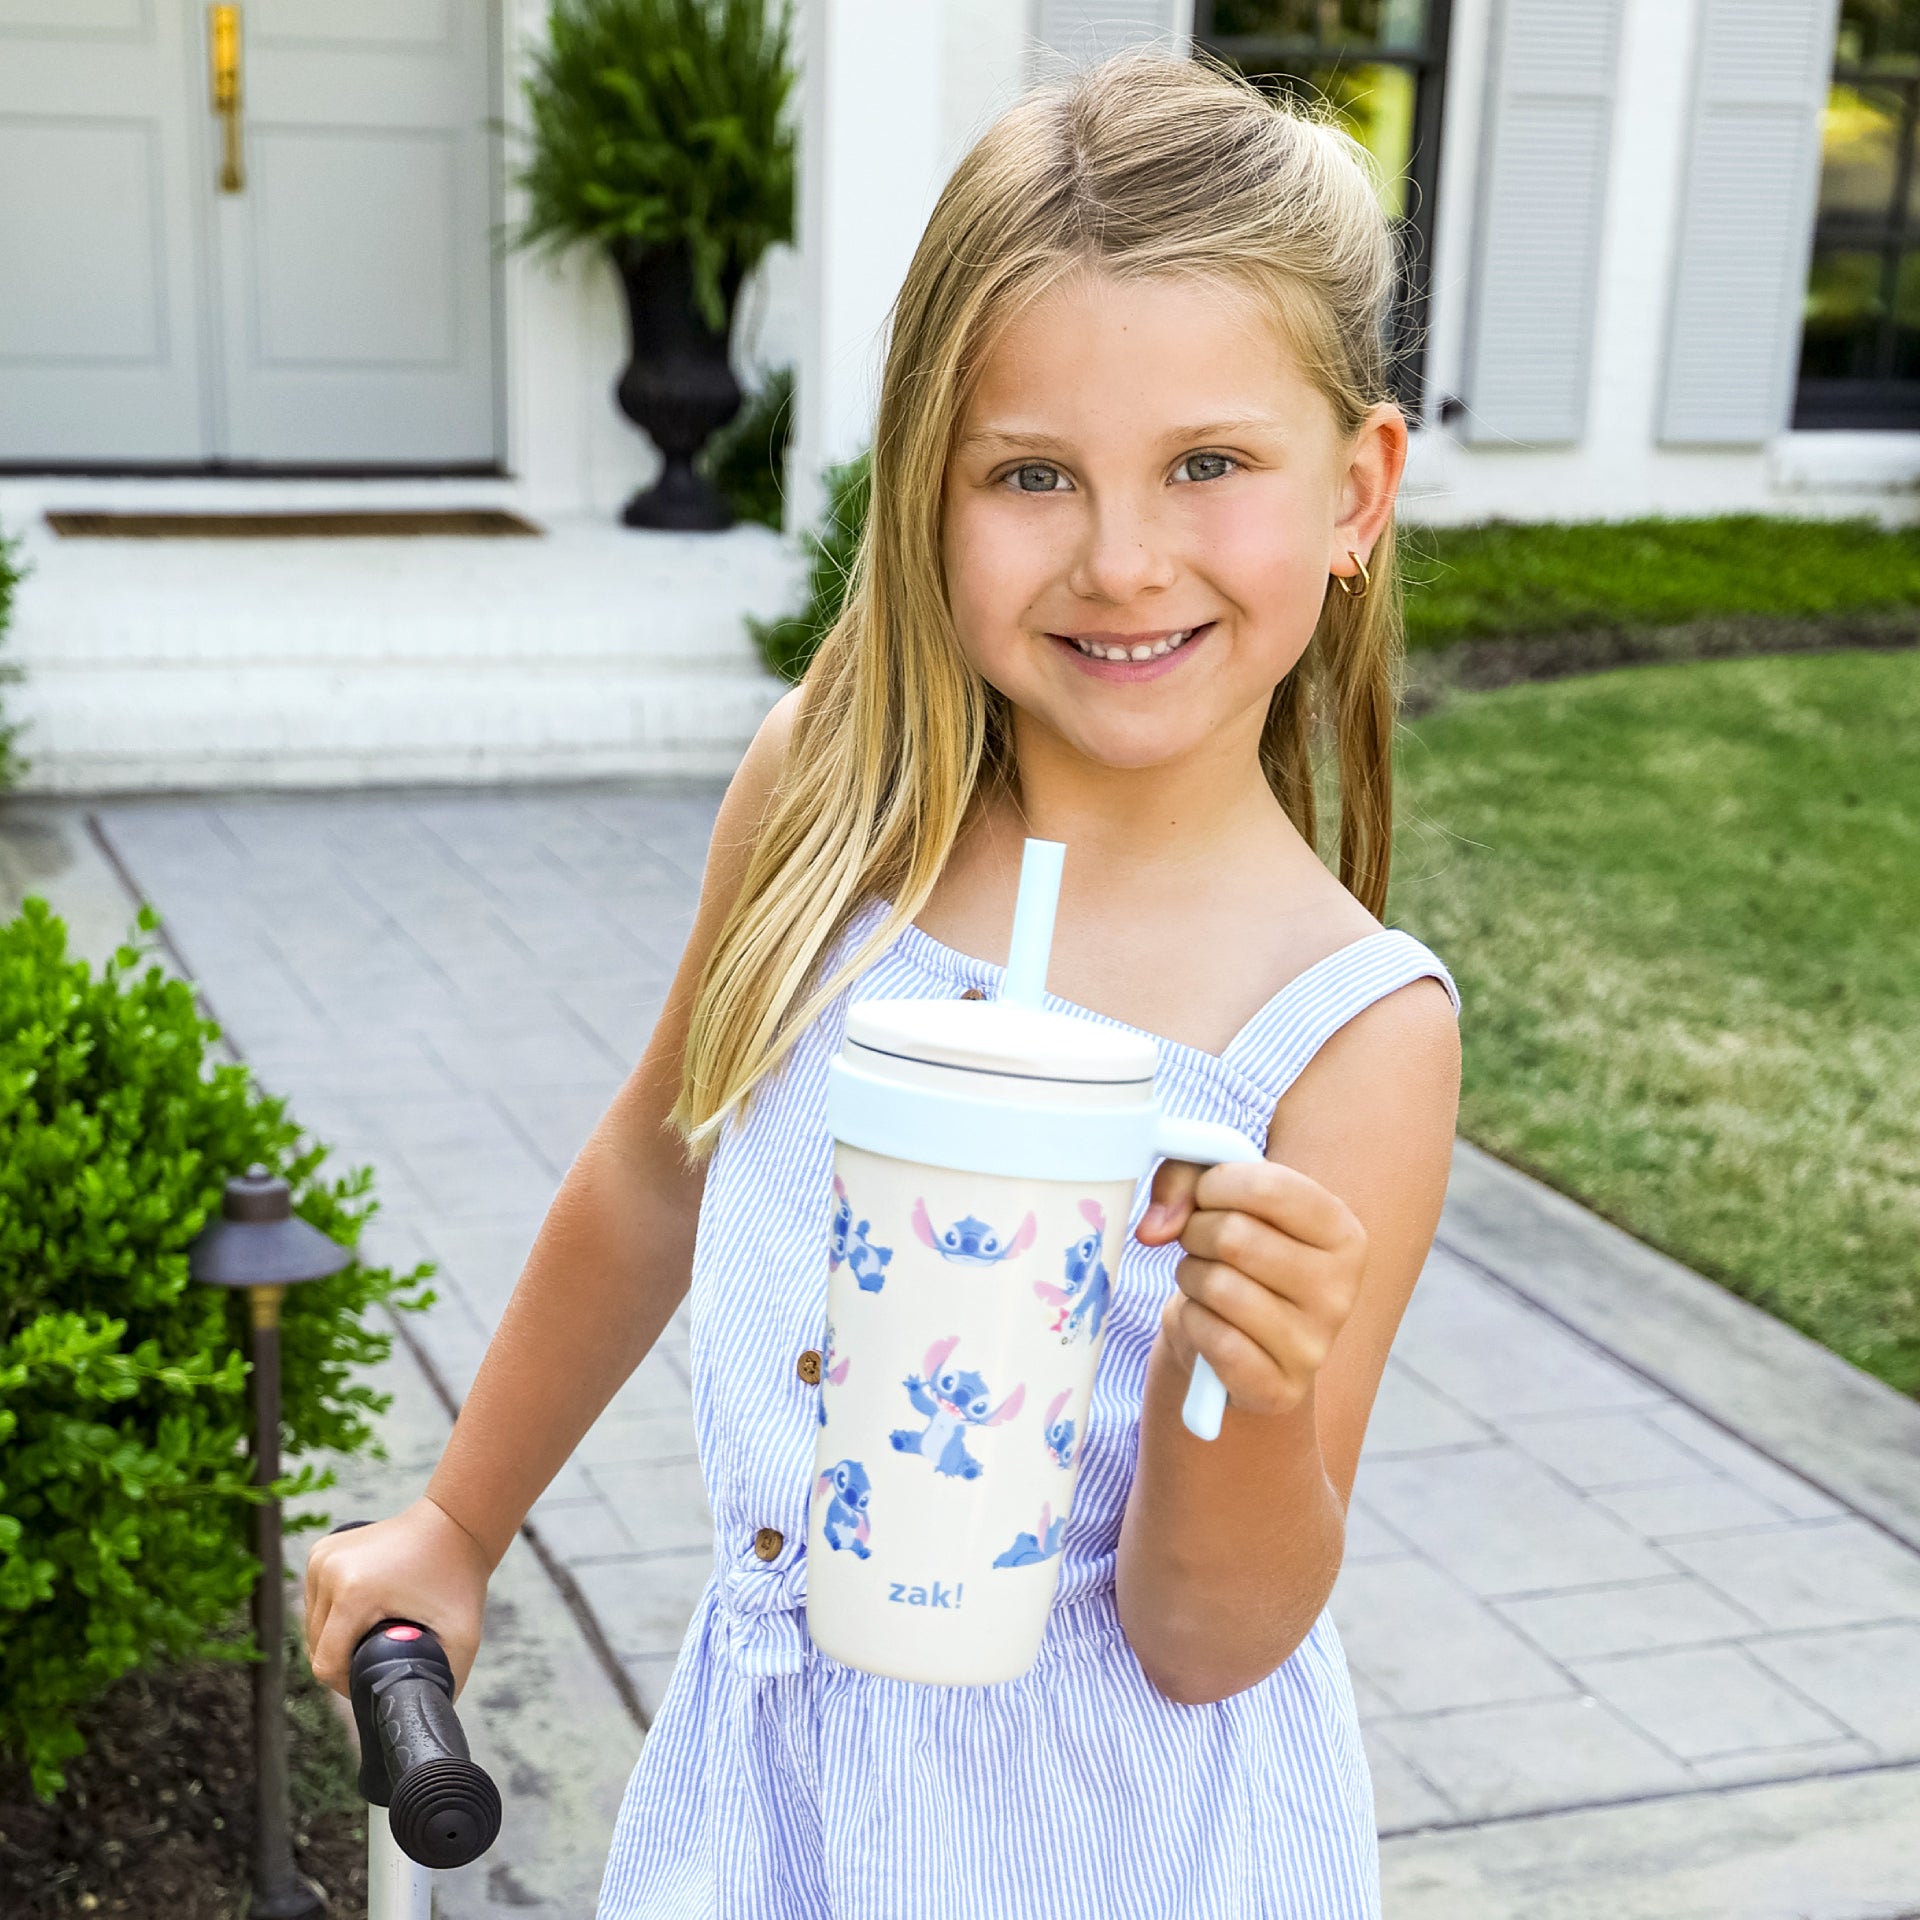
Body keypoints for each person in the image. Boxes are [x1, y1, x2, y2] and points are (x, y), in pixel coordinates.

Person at [304, 47, 1462, 1919]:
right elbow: (657, 1171)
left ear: (1357, 490)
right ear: (923, 485)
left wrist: (1240, 1382)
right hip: (780, 1793)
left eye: (1212, 463)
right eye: (1028, 472)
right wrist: (459, 1517)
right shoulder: (831, 794)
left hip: (1126, 1845)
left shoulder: (1350, 1031)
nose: (1120, 556)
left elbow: (1208, 1641)